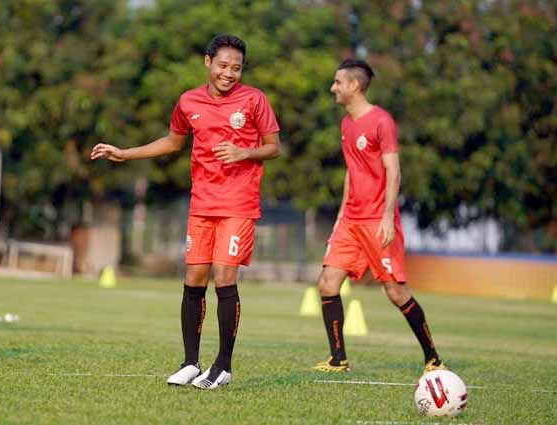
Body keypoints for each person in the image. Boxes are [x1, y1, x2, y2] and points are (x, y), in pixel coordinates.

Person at [92, 34, 281, 389]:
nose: (229, 74)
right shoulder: (188, 101)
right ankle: (190, 362)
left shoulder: (254, 100)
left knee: (225, 277)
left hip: (238, 202)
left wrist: (244, 153)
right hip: (202, 203)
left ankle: (223, 366)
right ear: (208, 62)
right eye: (223, 65)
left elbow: (274, 147)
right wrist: (126, 153)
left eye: (236, 68)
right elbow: (173, 142)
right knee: (193, 279)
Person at [313, 59, 446, 374]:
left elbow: (394, 172)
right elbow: (352, 171)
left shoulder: (381, 121)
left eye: (337, 82)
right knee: (328, 283)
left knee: (396, 291)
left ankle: (433, 358)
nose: (333, 88)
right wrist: (341, 214)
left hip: (377, 220)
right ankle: (338, 359)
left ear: (354, 86)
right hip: (351, 220)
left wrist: (388, 217)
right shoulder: (346, 124)